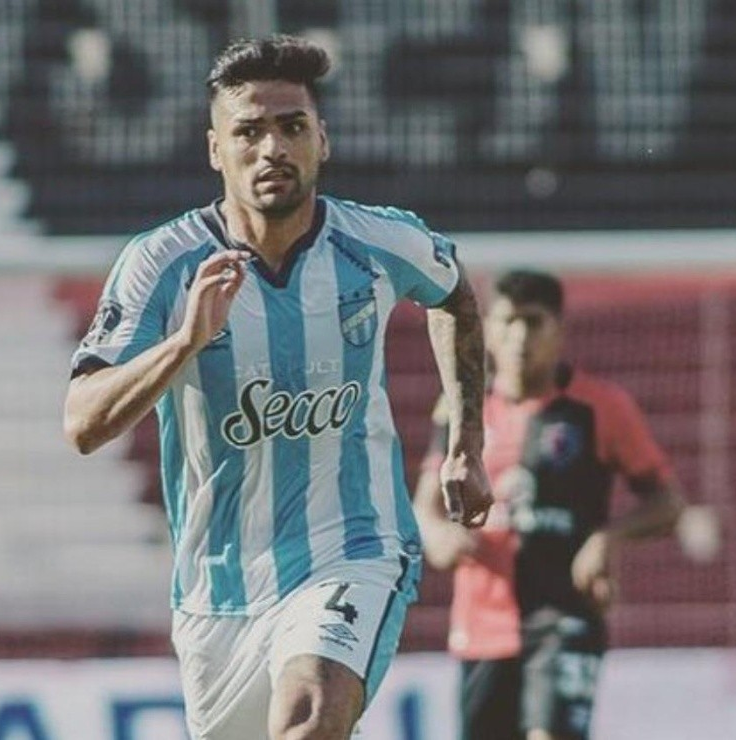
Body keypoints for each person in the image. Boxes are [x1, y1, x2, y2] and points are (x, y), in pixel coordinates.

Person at [63, 35, 493, 740]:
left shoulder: (378, 243)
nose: (272, 149)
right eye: (249, 132)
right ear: (215, 149)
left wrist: (467, 444)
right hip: (218, 590)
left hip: (354, 548)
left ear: (322, 139)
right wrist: (184, 343)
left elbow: (454, 296)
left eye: (292, 127)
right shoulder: (161, 264)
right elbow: (83, 423)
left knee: (309, 717)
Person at [413, 269, 685, 740]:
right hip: (483, 621)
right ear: (488, 328)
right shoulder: (462, 407)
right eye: (508, 321)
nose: (520, 337)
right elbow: (425, 508)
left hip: (566, 613)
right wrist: (438, 536)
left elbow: (668, 503)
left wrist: (606, 539)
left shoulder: (600, 407)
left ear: (558, 329)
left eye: (534, 322)